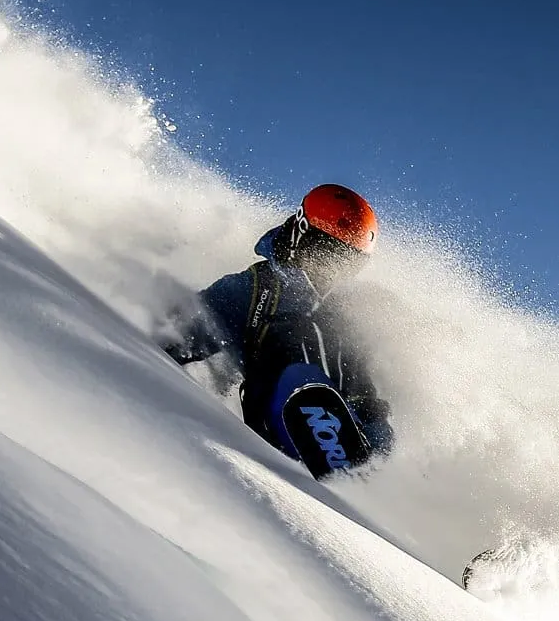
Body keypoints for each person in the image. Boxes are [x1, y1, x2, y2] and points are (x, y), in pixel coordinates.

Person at [160, 184, 394, 469]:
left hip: (339, 429)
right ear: (301, 231)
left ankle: (351, 466)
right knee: (300, 376)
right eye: (325, 250)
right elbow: (184, 331)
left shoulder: (343, 313)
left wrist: (381, 444)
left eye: (346, 261)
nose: (332, 267)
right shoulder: (252, 289)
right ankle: (328, 446)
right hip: (271, 421)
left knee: (362, 411)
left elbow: (361, 386)